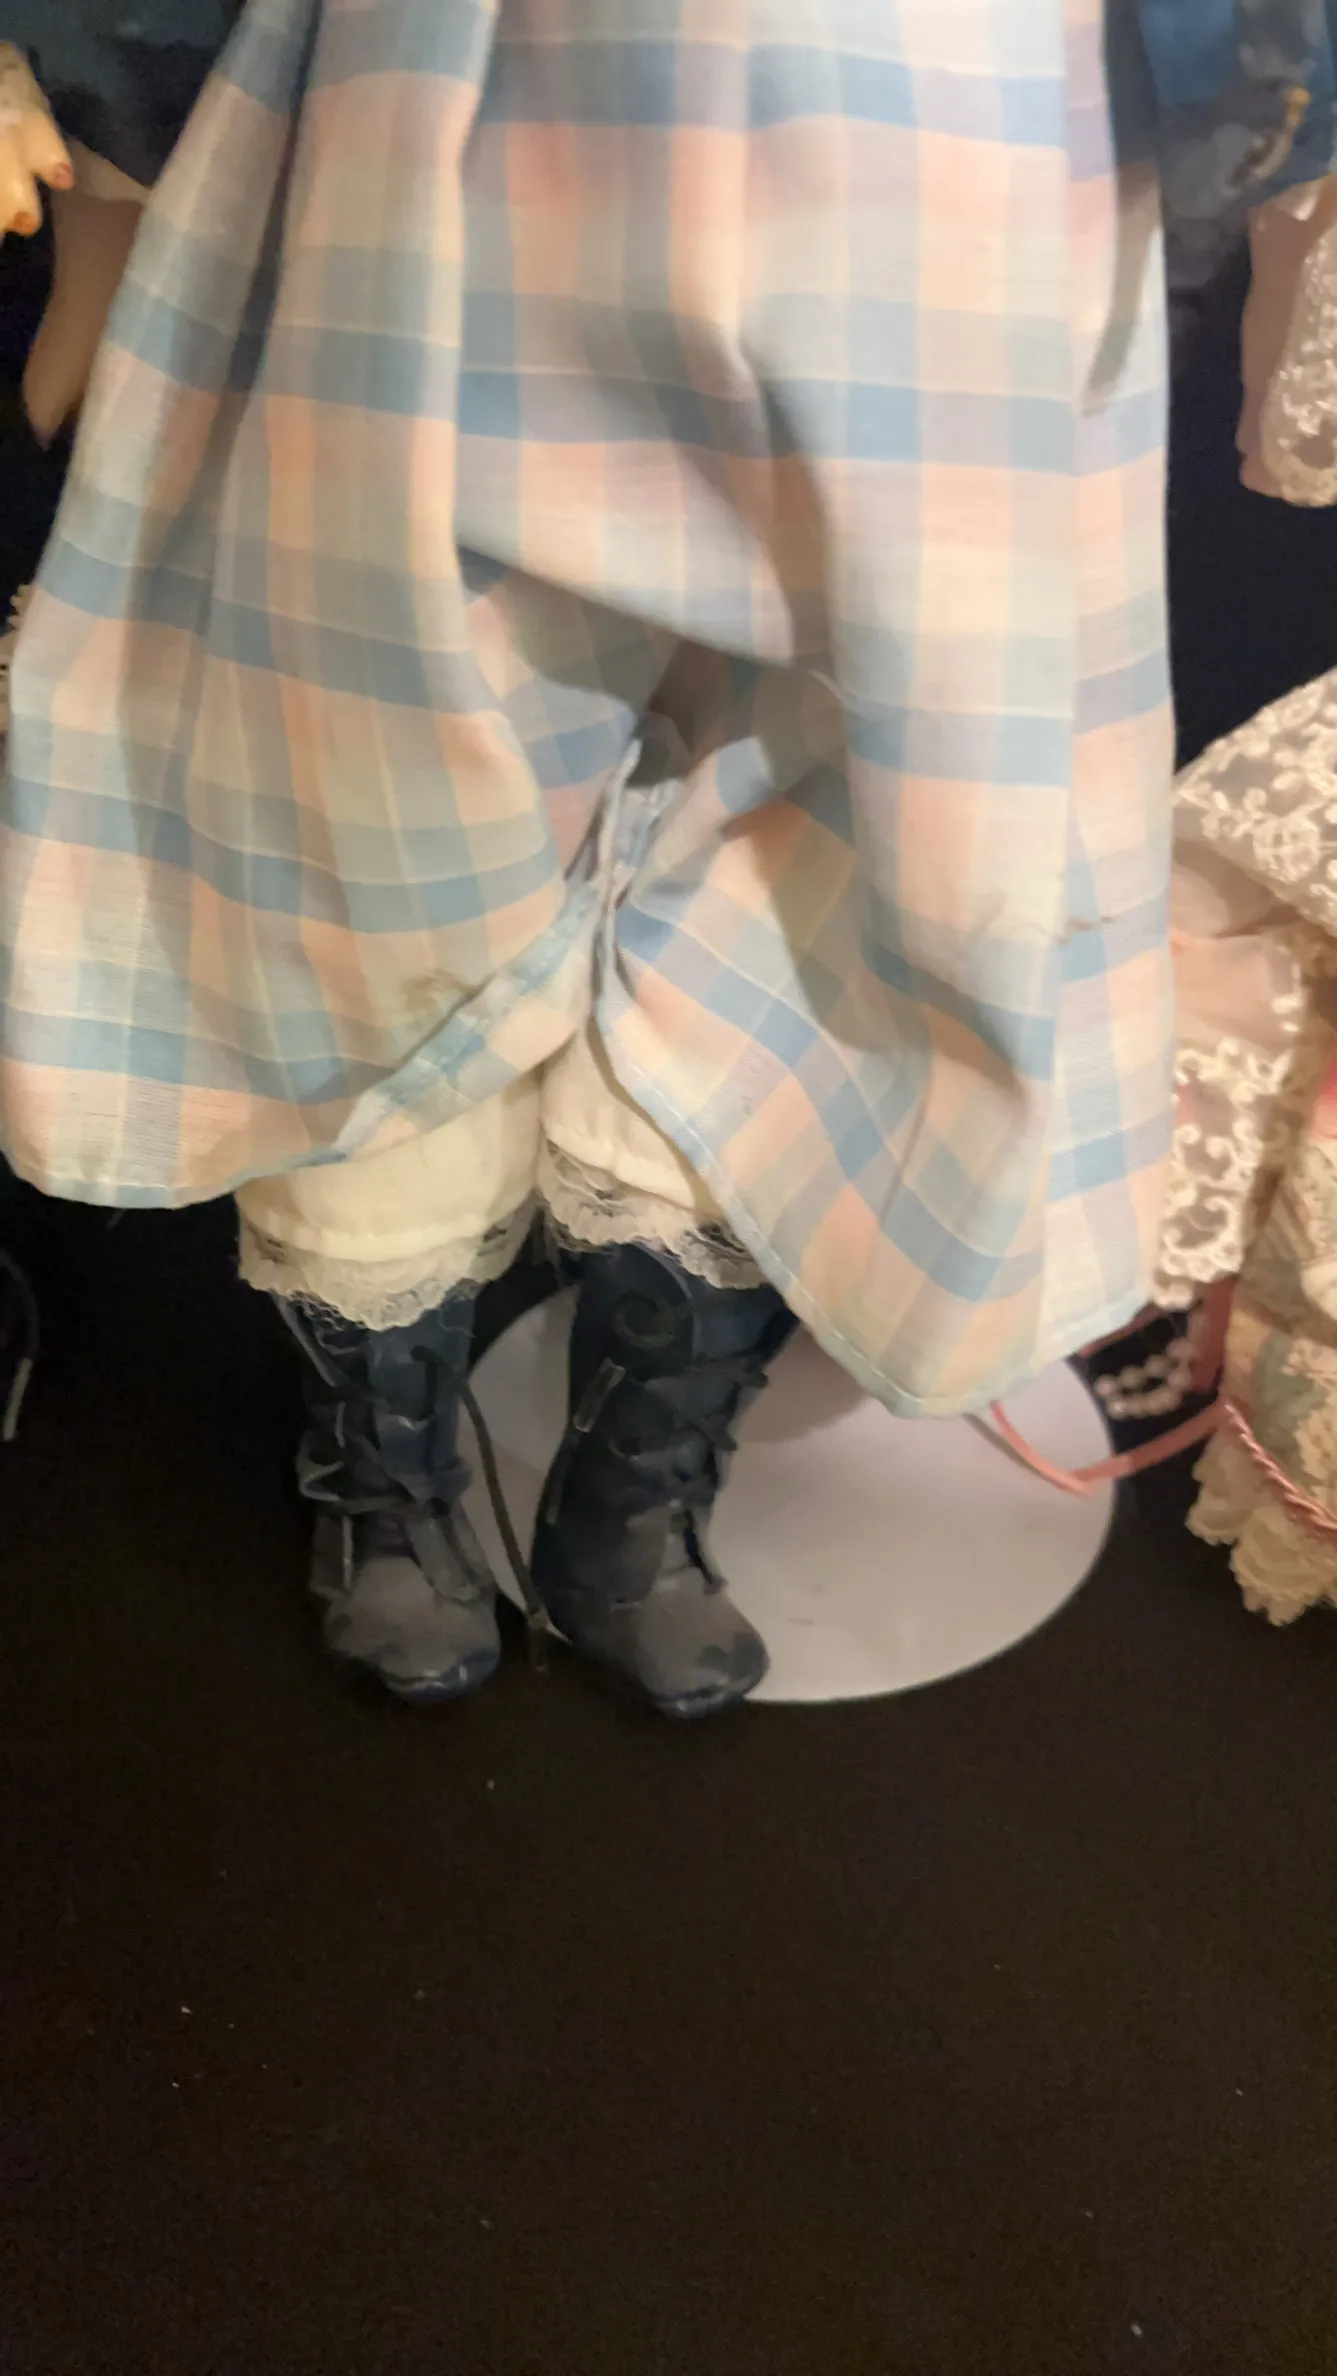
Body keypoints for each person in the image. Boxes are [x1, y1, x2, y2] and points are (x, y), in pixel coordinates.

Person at [2, 0, 1328, 1717]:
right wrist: (99, 121)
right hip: (478, 98)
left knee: (867, 861)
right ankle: (383, 1467)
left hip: (968, 127)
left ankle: (632, 1494)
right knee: (363, 827)